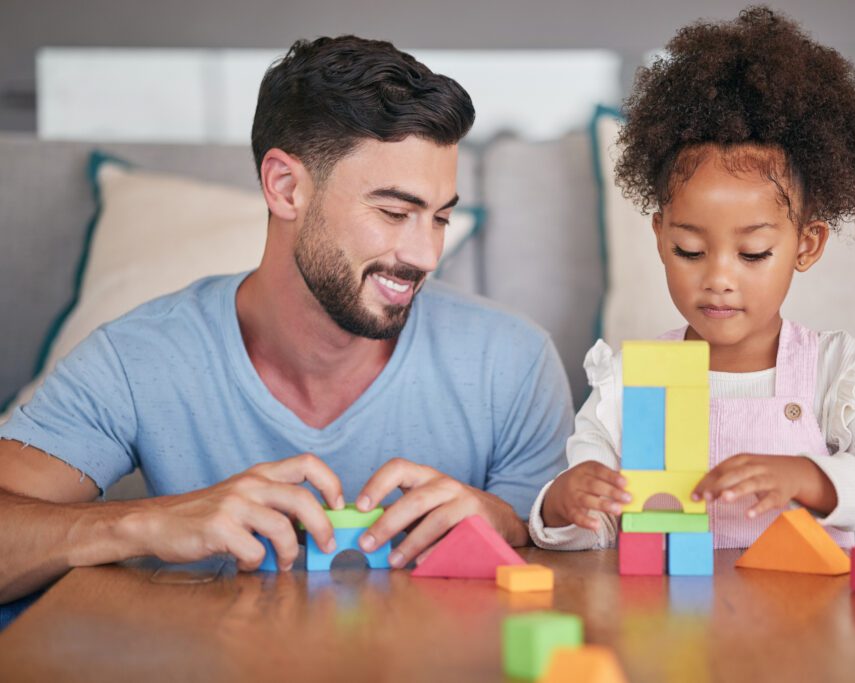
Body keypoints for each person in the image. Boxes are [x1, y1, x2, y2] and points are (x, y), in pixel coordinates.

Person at [0, 35, 573, 603]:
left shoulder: (512, 362)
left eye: (439, 218)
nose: (426, 255)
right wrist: (146, 523)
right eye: (395, 212)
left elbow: (572, 580)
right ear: (285, 187)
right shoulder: (139, 357)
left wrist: (510, 521)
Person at [530, 6, 855, 550]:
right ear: (659, 238)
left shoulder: (839, 373)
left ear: (807, 245)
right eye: (689, 249)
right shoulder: (632, 381)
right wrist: (562, 504)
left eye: (752, 253)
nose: (719, 278)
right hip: (669, 628)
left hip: (806, 628)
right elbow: (589, 533)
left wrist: (808, 477)